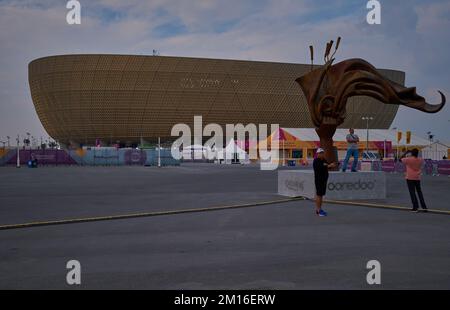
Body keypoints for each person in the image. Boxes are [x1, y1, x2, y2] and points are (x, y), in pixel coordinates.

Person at [401, 148, 428, 212]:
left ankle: (415, 207)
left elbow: (400, 159)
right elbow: (424, 164)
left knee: (412, 192)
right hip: (417, 177)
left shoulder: (408, 159)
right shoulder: (420, 160)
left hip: (410, 177)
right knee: (419, 192)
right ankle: (424, 207)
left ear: (412, 153)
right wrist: (419, 170)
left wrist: (405, 153)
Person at [313, 148, 337, 217]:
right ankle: (318, 210)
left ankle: (320, 209)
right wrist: (329, 165)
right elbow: (321, 167)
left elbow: (327, 165)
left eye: (323, 153)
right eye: (321, 153)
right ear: (318, 154)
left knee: (321, 195)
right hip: (319, 180)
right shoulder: (316, 161)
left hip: (324, 180)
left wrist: (332, 165)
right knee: (319, 195)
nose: (322, 154)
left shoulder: (323, 160)